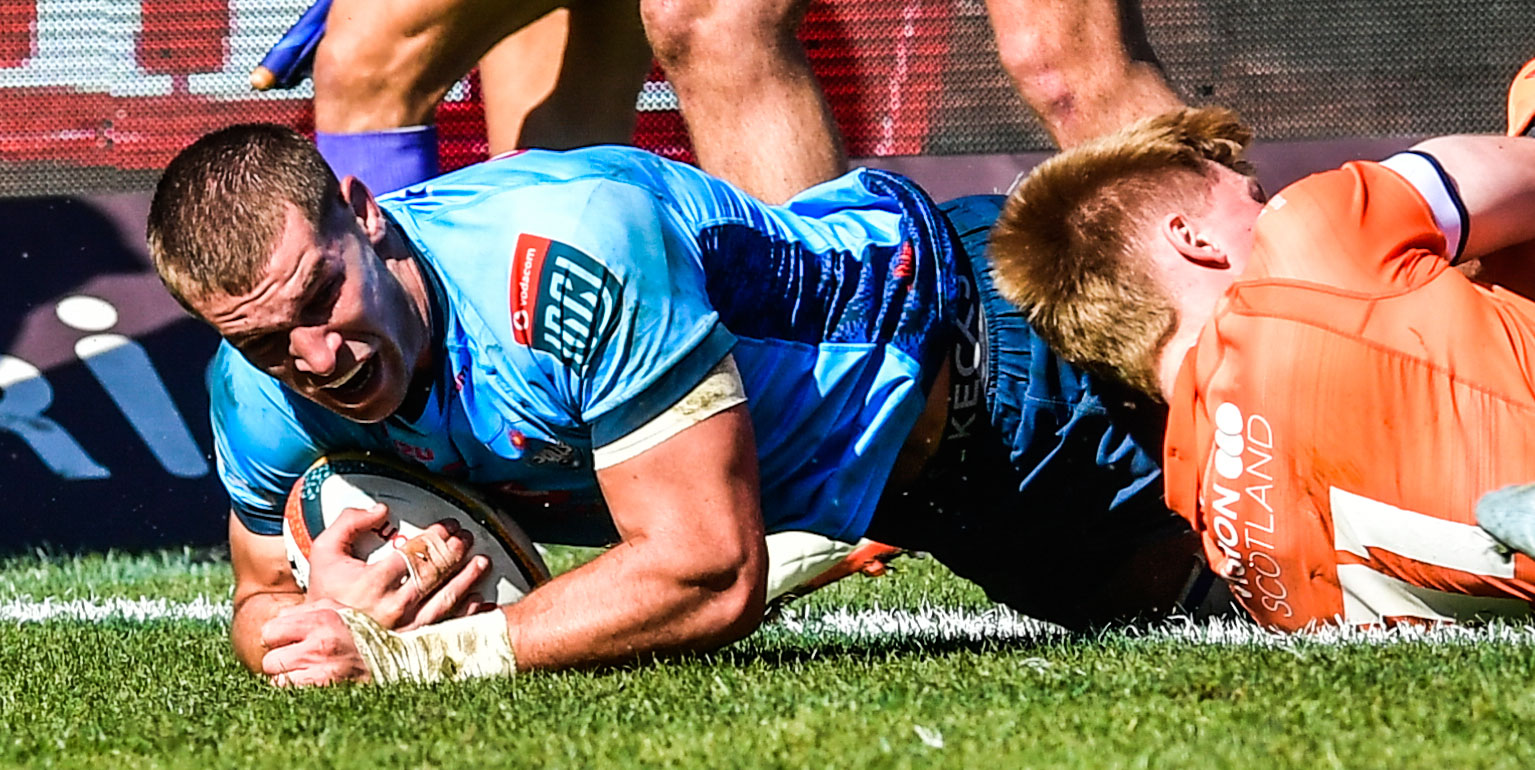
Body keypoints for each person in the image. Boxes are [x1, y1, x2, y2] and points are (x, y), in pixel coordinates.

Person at [146, 120, 1203, 685]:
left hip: (1012, 351)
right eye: (265, 339)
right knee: (1198, 623)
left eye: (322, 297)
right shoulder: (256, 393)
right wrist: (311, 626)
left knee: (1286, 565)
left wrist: (415, 657)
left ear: (364, 215)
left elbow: (706, 571)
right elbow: (256, 596)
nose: (316, 357)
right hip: (915, 494)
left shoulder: (566, 253)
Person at [988, 62, 1535, 631]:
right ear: (1191, 237)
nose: (1268, 204)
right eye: (1253, 197)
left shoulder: (1228, 546)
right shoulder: (1308, 240)